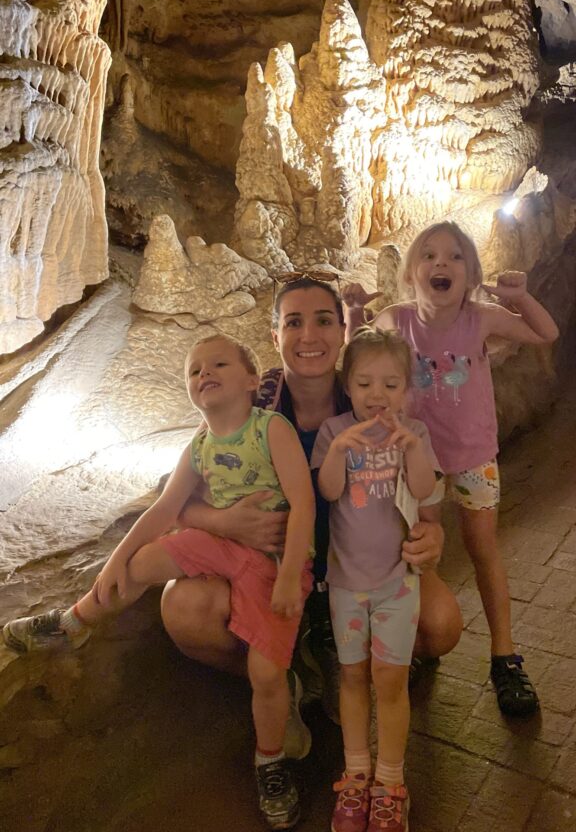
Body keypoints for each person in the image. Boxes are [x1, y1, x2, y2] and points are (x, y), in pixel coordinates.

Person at [3, 334, 315, 832]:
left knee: (265, 673)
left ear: (252, 380)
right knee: (146, 560)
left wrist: (289, 577)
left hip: (273, 562)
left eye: (217, 363)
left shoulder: (269, 429)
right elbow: (165, 508)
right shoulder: (201, 443)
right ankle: (72, 622)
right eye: (194, 370)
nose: (203, 373)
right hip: (223, 546)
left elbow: (303, 503)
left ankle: (270, 760)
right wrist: (115, 561)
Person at [160, 277, 462, 723]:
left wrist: (432, 531)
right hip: (273, 573)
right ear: (274, 336)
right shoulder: (252, 401)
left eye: (323, 321)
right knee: (182, 610)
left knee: (441, 626)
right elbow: (174, 489)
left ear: (343, 330)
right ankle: (283, 677)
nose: (308, 336)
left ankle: (362, 661)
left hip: (364, 567)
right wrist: (223, 523)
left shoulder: (369, 393)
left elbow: (426, 494)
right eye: (293, 322)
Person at [344, 221, 559, 717]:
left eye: (455, 257)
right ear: (412, 272)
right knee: (424, 556)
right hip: (418, 461)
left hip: (474, 457)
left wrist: (520, 297)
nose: (441, 264)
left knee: (485, 551)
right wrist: (353, 312)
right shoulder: (397, 321)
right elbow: (357, 358)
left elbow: (545, 332)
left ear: (471, 274)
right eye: (430, 255)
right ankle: (424, 644)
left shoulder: (480, 319)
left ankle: (505, 657)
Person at [313, 326, 440, 832]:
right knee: (351, 676)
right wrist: (342, 449)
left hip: (398, 582)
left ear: (406, 390)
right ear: (347, 385)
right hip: (346, 582)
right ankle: (356, 773)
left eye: (391, 385)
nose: (377, 396)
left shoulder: (416, 434)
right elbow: (327, 491)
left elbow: (427, 492)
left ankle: (390, 782)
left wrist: (410, 447)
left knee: (390, 679)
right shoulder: (333, 432)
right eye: (365, 383)